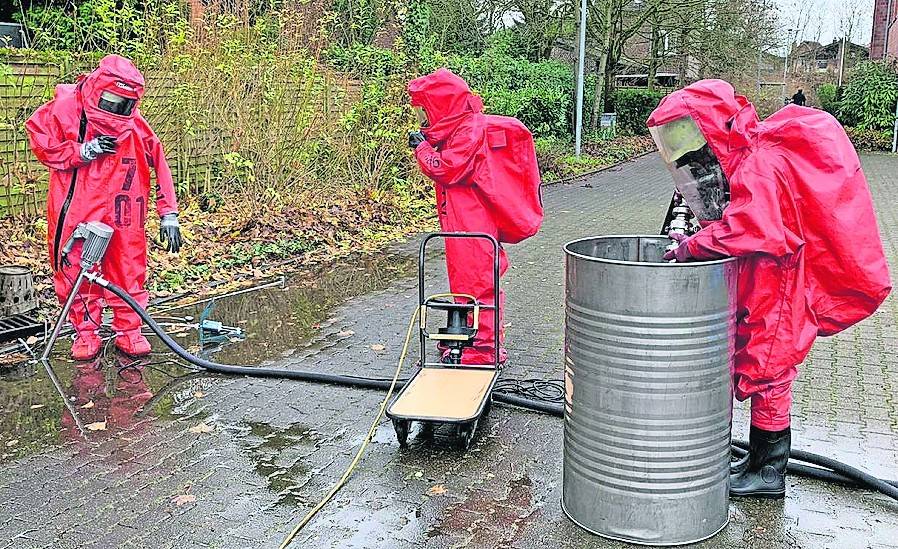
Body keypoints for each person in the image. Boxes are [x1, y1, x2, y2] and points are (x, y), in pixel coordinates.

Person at [648, 79, 891, 498]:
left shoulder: (758, 163)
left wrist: (692, 247)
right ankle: (760, 458)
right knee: (765, 366)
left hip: (779, 286)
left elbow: (750, 228)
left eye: (688, 134)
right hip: (768, 279)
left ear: (710, 127)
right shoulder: (748, 158)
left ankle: (769, 472)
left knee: (770, 371)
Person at [27, 55, 182, 360]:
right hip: (77, 207)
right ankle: (85, 333)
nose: (115, 109)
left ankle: (129, 330)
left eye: (122, 103)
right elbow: (41, 141)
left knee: (128, 268)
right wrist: (81, 151)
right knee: (74, 268)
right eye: (111, 99)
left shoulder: (135, 126)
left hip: (125, 208)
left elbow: (159, 162)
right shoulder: (64, 110)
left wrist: (169, 213)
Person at [407, 69, 543, 365]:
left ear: (441, 106)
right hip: (463, 222)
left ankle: (484, 349)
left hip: (471, 224)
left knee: (478, 283)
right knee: (468, 282)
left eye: (425, 111)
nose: (422, 119)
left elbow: (447, 168)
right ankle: (470, 337)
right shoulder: (463, 129)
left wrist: (422, 148)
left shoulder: (470, 130)